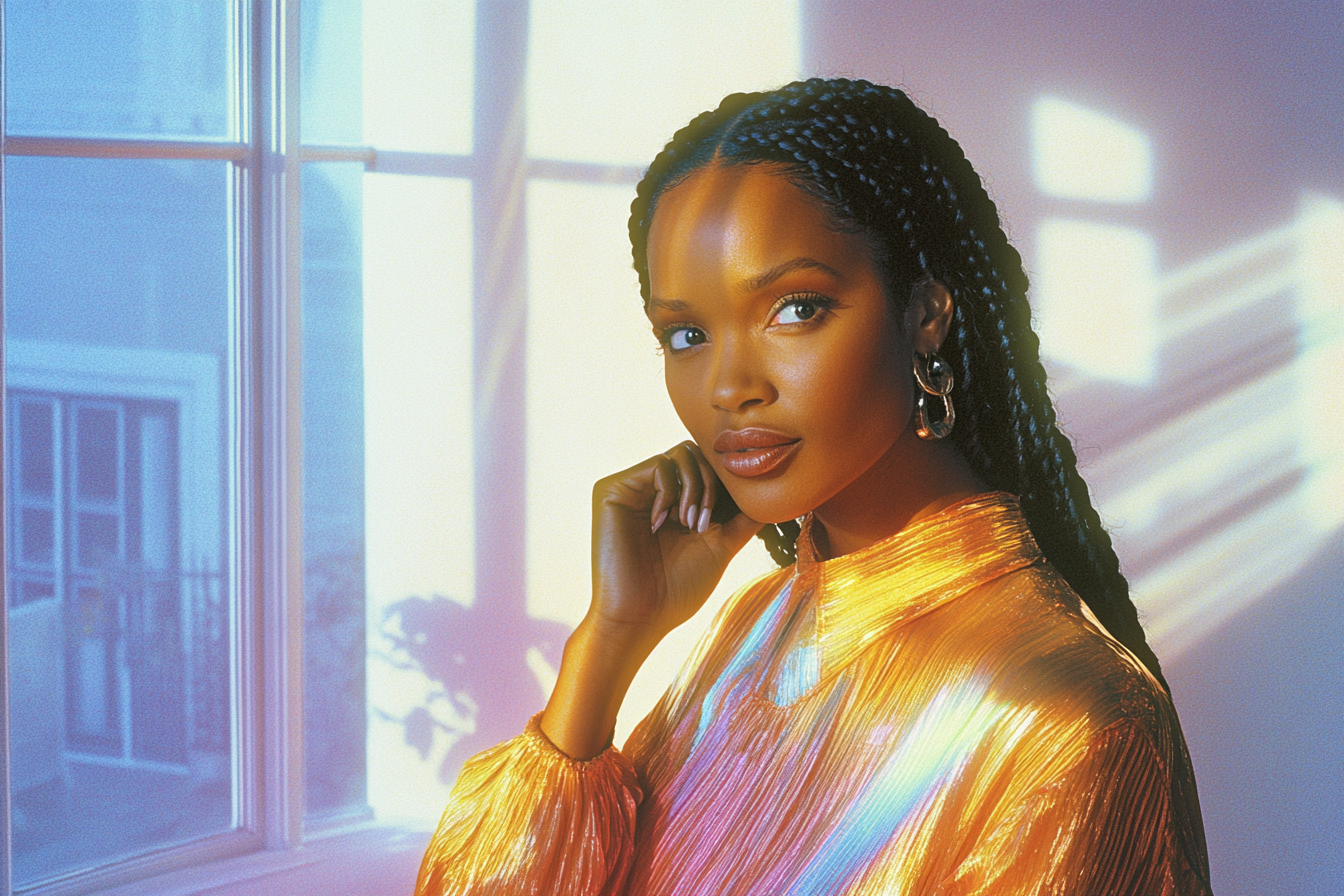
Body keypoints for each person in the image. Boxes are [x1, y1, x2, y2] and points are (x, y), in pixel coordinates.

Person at [415, 78, 1211, 895]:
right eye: (686, 333)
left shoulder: (1067, 721)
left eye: (795, 309)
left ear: (924, 313)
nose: (729, 386)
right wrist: (608, 642)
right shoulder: (760, 626)